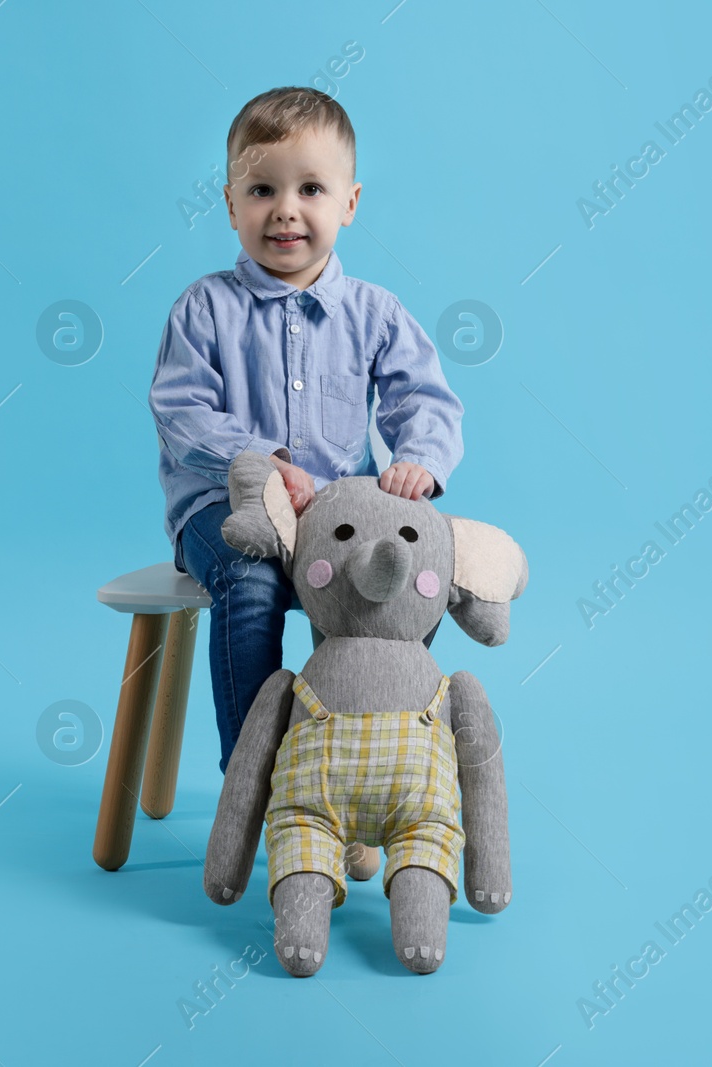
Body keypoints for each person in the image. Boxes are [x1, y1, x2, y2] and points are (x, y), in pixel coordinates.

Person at [149, 86, 465, 787]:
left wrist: (417, 457)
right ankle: (255, 774)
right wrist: (262, 465)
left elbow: (425, 397)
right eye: (262, 189)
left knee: (399, 580)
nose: (286, 209)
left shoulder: (375, 313)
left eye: (311, 189)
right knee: (252, 582)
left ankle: (358, 757)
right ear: (231, 203)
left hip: (334, 514)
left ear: (348, 204)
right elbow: (182, 411)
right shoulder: (204, 309)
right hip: (224, 513)